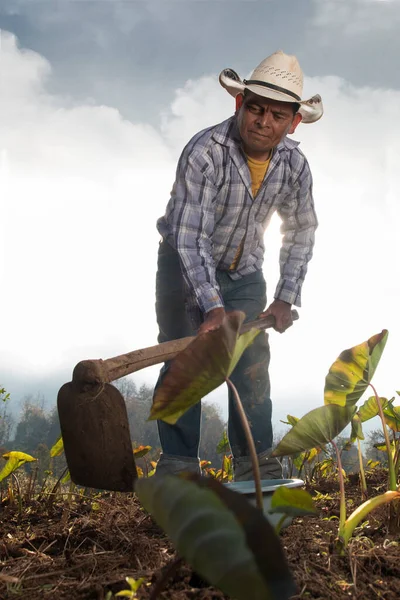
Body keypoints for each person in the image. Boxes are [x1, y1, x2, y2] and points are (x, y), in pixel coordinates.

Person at [154, 50, 323, 480]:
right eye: (256, 108)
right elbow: (189, 237)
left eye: (277, 115)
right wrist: (210, 305)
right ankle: (178, 468)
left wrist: (286, 296)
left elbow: (301, 229)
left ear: (293, 122)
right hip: (183, 267)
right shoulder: (205, 152)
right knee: (184, 359)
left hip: (246, 272)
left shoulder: (294, 165)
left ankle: (254, 464)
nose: (263, 122)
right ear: (239, 105)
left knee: (251, 362)